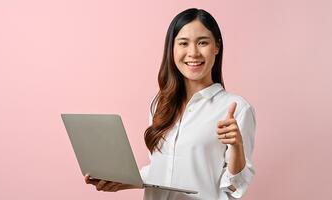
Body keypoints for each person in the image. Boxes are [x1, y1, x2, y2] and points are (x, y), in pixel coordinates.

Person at [85, 8, 256, 200]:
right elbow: (162, 170)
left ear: (216, 46)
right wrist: (121, 180)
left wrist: (237, 146)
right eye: (183, 43)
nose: (193, 53)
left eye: (203, 43)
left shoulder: (236, 108)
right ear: (172, 49)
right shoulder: (160, 103)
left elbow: (235, 188)